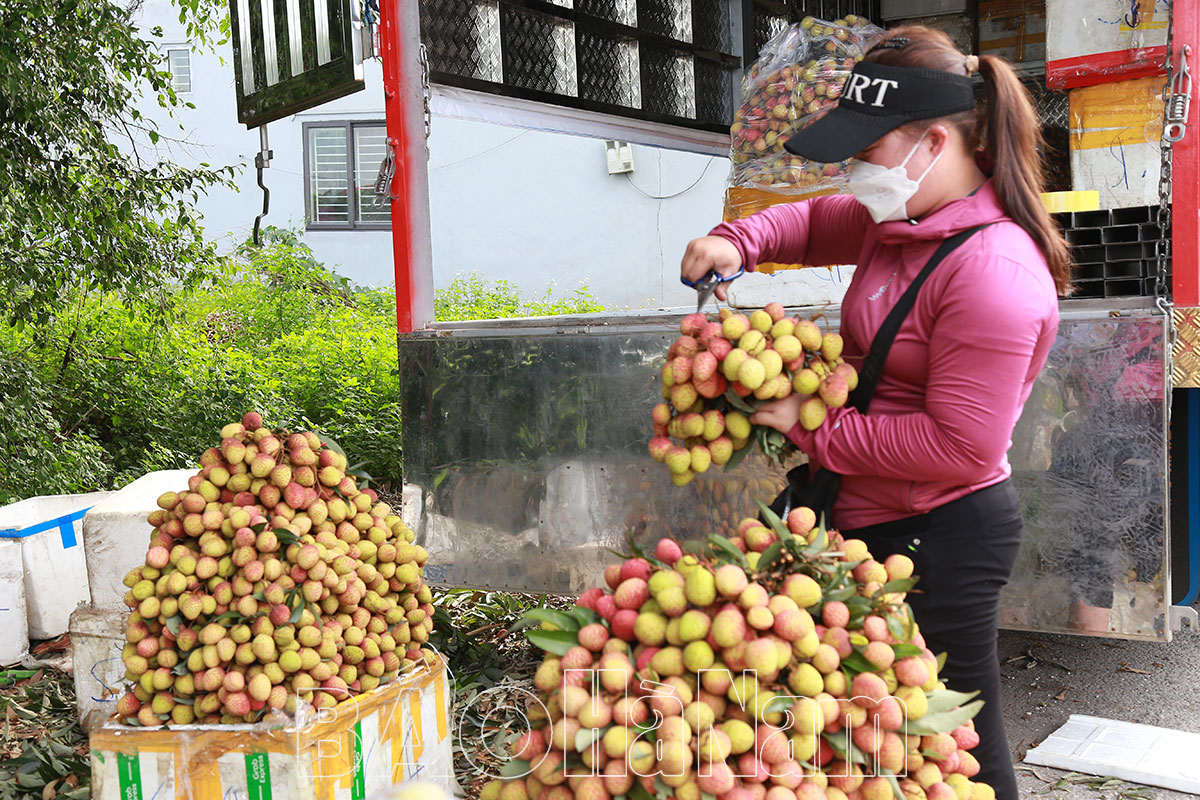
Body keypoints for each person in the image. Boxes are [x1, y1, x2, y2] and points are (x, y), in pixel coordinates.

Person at [679, 27, 1068, 800]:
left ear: (932, 142)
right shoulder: (903, 219)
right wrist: (737, 239)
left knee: (954, 751)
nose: (855, 171)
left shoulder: (994, 275)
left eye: (867, 150)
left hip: (939, 535)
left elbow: (958, 447)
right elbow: (818, 218)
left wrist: (804, 418)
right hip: (853, 517)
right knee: (859, 739)